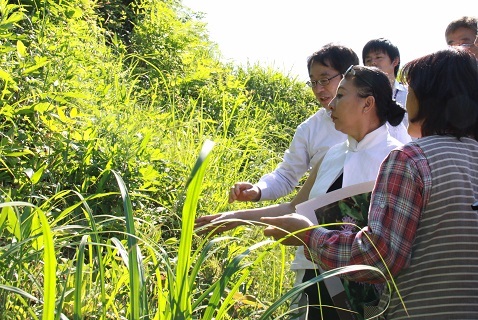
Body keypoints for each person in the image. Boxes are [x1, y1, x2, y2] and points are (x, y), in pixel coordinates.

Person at [262, 48, 478, 319]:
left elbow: (379, 258)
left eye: (409, 90)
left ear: (428, 98)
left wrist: (308, 234)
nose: (403, 98)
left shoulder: (409, 159)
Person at [196, 65, 407, 319]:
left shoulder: (396, 159)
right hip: (313, 277)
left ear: (367, 103)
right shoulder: (332, 155)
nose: (331, 105)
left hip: (367, 293)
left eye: (340, 96)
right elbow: (294, 208)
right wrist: (236, 217)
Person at [228, 44, 411, 205]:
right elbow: (286, 176)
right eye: (313, 82)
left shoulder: (387, 127)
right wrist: (258, 190)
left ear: (351, 75)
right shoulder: (310, 129)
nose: (318, 89)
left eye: (324, 80)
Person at [362, 38, 412, 141]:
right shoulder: (362, 97)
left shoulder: (409, 94)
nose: (373, 63)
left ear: (395, 61)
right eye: (368, 60)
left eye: (378, 57)